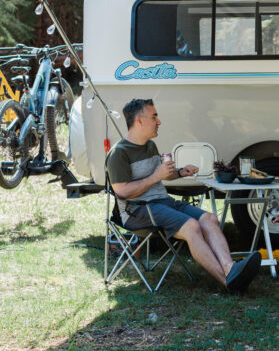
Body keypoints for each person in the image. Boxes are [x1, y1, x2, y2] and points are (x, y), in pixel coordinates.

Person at [106, 98, 261, 293]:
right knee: (191, 226)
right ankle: (228, 282)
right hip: (138, 209)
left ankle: (230, 269)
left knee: (209, 219)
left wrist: (179, 172)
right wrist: (156, 176)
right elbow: (122, 192)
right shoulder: (119, 153)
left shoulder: (150, 146)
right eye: (154, 117)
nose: (159, 121)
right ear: (139, 121)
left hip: (163, 202)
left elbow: (160, 175)